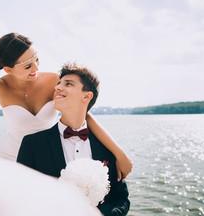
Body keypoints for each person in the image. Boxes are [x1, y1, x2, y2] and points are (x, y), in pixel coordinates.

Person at [0, 33, 132, 181]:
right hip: (10, 157)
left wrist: (120, 154)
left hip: (47, 157)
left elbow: (83, 114)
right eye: (28, 66)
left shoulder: (54, 82)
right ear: (8, 69)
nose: (36, 68)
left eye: (36, 59)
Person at [17, 63, 130, 216]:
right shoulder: (33, 144)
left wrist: (100, 214)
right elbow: (20, 195)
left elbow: (121, 200)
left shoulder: (107, 147)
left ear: (86, 96)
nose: (57, 88)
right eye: (58, 83)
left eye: (68, 84)